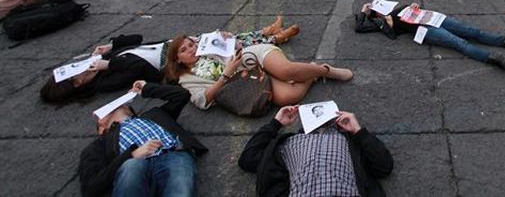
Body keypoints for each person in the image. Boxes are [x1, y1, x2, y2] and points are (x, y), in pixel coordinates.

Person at [41, 20, 292, 104]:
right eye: (76, 80)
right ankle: (274, 37)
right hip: (169, 61)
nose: (81, 74)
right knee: (223, 49)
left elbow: (137, 39)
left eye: (75, 73)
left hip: (166, 45)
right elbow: (139, 69)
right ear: (78, 87)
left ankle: (268, 32)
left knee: (221, 39)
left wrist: (111, 46)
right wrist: (109, 65)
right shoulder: (104, 81)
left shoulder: (100, 58)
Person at [77, 81, 208, 197]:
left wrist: (146, 88)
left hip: (172, 154)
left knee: (180, 189)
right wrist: (131, 155)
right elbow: (91, 187)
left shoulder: (153, 115)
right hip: (135, 163)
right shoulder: (99, 144)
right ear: (101, 129)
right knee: (132, 166)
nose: (114, 106)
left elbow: (181, 95)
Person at [164, 30, 351, 110]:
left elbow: (237, 49)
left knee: (286, 71)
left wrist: (229, 40)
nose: (191, 50)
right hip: (246, 80)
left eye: (191, 44)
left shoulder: (208, 48)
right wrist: (225, 75)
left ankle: (327, 71)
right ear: (177, 59)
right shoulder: (186, 78)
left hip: (252, 57)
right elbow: (202, 100)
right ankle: (313, 72)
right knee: (288, 97)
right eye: (184, 50)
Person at [238, 105, 393, 197]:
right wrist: (276, 123)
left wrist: (358, 131)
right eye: (314, 112)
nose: (319, 116)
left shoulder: (350, 141)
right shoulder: (286, 143)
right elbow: (248, 159)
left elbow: (384, 166)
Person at [355, 2, 505, 69]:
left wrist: (413, 5)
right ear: (375, 15)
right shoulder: (381, 24)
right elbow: (359, 27)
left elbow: (413, 7)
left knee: (473, 32)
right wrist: (365, 12)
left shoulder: (395, 10)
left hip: (433, 18)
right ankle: (492, 58)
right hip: (424, 30)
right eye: (375, 10)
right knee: (459, 43)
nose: (379, 10)